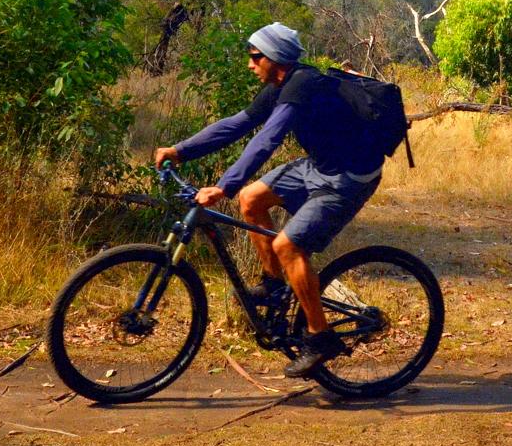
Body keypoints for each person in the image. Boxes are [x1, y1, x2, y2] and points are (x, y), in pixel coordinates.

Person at [153, 22, 383, 378]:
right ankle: (275, 285)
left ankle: (320, 338)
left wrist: (223, 186)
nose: (250, 64)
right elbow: (236, 125)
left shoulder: (302, 85)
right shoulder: (278, 85)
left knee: (289, 246)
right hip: (319, 165)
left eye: (254, 56)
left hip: (348, 177)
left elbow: (266, 141)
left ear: (274, 58)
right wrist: (181, 151)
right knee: (251, 199)